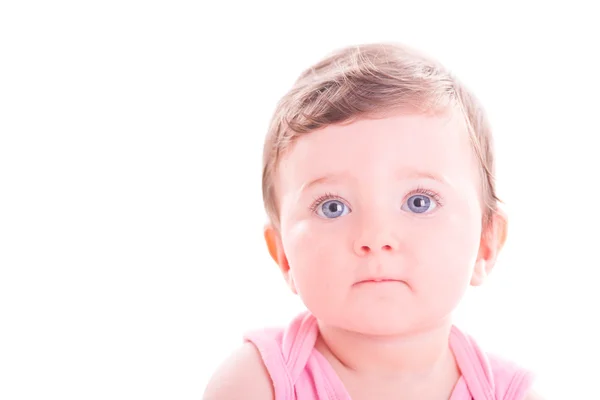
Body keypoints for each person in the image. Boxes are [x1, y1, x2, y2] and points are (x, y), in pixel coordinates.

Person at [203, 42, 543, 399]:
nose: (376, 236)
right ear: (283, 254)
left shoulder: (510, 394)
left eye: (419, 202)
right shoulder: (257, 384)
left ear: (485, 244)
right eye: (332, 207)